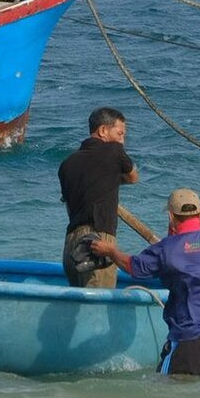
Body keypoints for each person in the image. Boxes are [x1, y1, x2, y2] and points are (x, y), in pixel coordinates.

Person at [90, 189, 200, 381]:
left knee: (167, 396)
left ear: (171, 215)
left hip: (190, 339)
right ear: (199, 213)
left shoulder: (166, 250)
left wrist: (112, 251)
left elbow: (133, 267)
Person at [58, 106, 138, 288]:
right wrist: (114, 179)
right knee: (98, 306)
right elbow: (133, 177)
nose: (122, 140)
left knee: (79, 302)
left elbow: (69, 203)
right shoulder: (114, 151)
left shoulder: (67, 163)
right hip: (98, 241)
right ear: (103, 130)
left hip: (71, 242)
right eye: (120, 133)